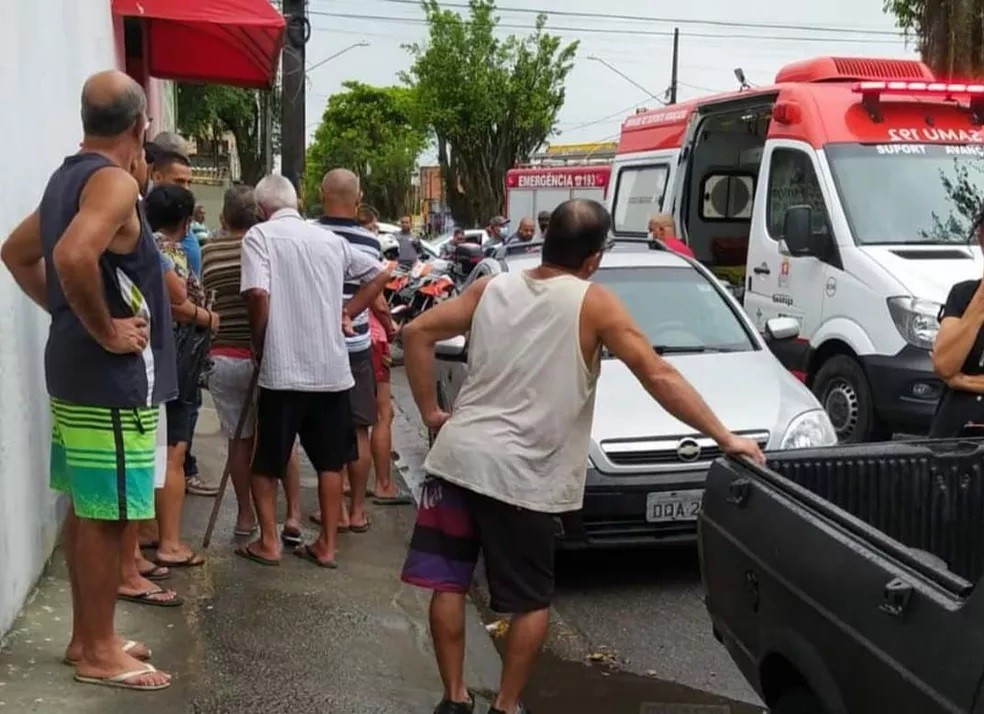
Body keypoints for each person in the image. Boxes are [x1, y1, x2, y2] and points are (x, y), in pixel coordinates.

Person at [399, 199, 765, 714]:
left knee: (449, 582)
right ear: (594, 258)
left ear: (545, 243)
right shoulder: (594, 303)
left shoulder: (492, 286)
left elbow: (416, 333)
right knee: (530, 601)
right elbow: (657, 375)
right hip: (522, 477)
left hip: (457, 461)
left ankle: (455, 699)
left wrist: (433, 413)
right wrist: (724, 437)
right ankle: (505, 706)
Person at [1, 70, 175, 691]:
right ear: (138, 126)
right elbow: (73, 256)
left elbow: (17, 253)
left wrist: (66, 312)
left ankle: (87, 635)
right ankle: (100, 650)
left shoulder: (65, 178)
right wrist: (102, 329)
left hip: (77, 374)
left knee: (89, 507)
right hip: (108, 379)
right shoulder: (115, 182)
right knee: (108, 517)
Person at [237, 175, 391, 568]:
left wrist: (259, 340)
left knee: (267, 461)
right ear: (298, 201)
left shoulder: (259, 237)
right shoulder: (329, 241)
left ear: (261, 209)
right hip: (330, 369)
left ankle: (269, 542)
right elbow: (381, 272)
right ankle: (326, 545)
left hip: (282, 370)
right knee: (330, 461)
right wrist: (350, 311)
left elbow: (257, 293)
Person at [314, 169, 399, 532]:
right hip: (357, 345)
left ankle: (331, 512)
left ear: (321, 194)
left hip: (317, 346)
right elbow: (375, 292)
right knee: (359, 429)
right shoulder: (370, 243)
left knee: (324, 433)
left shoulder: (309, 234)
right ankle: (358, 511)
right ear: (358, 198)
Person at [144, 184, 219, 569]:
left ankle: (147, 530)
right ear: (186, 222)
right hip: (176, 359)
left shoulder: (138, 246)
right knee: (175, 448)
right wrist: (209, 318)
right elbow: (179, 304)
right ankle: (170, 542)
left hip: (147, 361)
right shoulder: (166, 254)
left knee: (152, 446)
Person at [146, 137, 206, 487]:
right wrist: (206, 318)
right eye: (178, 181)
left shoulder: (188, 239)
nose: (185, 188)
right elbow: (178, 297)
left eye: (188, 182)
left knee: (181, 426)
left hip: (185, 349)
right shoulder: (152, 239)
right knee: (169, 438)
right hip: (168, 346)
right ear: (156, 176)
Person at [931, 207, 984, 437]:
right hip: (955, 440)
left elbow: (952, 376)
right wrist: (981, 300)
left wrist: (961, 381)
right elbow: (943, 366)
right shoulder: (963, 295)